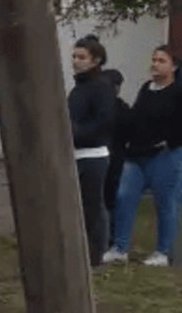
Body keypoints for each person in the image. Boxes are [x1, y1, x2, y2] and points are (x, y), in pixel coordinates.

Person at [105, 46, 182, 267]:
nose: (155, 64)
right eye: (154, 60)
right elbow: (138, 117)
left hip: (164, 155)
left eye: (161, 60)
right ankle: (120, 247)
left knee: (166, 202)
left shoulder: (177, 91)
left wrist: (170, 141)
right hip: (137, 153)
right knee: (124, 197)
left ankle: (162, 252)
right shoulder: (147, 88)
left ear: (173, 66)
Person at [66, 36, 117, 268]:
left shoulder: (101, 87)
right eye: (74, 56)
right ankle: (81, 251)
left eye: (82, 57)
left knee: (93, 207)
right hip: (76, 153)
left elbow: (105, 122)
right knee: (80, 206)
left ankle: (95, 255)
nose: (76, 61)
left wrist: (76, 133)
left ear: (95, 60)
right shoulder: (79, 89)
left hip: (94, 155)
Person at [100, 68, 128, 242]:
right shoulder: (119, 107)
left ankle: (109, 235)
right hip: (112, 155)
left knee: (108, 197)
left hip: (113, 156)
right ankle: (108, 235)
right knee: (107, 198)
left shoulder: (119, 108)